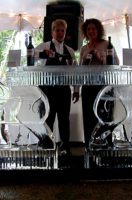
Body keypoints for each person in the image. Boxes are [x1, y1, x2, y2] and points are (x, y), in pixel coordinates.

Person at [35, 19, 79, 154]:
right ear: (52, 32)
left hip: (64, 90)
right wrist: (43, 54)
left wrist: (76, 90)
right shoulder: (43, 46)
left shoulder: (70, 51)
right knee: (48, 119)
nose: (60, 33)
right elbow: (30, 57)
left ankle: (65, 148)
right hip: (47, 90)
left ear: (65, 33)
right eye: (57, 30)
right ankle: (47, 148)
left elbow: (75, 72)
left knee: (64, 120)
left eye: (62, 31)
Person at [79, 18, 119, 148]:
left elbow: (116, 64)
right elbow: (79, 69)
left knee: (104, 117)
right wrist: (76, 90)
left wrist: (100, 59)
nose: (91, 31)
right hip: (88, 87)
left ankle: (106, 148)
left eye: (93, 29)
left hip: (104, 87)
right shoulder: (84, 48)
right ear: (85, 32)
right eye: (88, 29)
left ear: (98, 30)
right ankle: (89, 147)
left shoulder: (107, 44)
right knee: (88, 117)